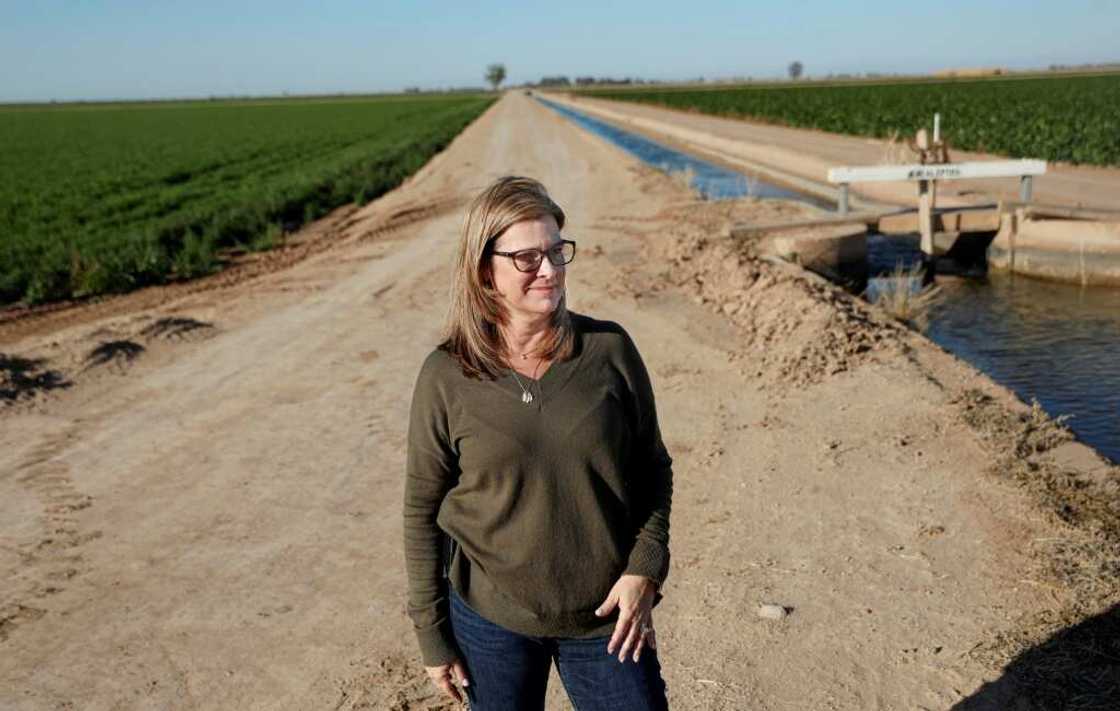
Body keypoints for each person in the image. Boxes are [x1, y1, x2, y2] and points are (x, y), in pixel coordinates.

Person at [403, 175, 674, 710]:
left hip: (607, 621)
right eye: (527, 258)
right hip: (491, 621)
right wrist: (431, 634)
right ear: (486, 270)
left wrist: (646, 564)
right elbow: (421, 511)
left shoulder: (609, 350)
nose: (549, 270)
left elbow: (653, 468)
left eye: (556, 252)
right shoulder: (447, 375)